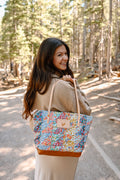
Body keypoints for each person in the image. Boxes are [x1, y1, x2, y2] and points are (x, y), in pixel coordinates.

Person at [22, 37, 91, 180]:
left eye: (66, 54)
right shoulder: (60, 85)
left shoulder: (37, 83)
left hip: (44, 145)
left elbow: (32, 117)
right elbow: (85, 111)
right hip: (62, 147)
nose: (65, 58)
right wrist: (74, 85)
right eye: (59, 55)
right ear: (48, 58)